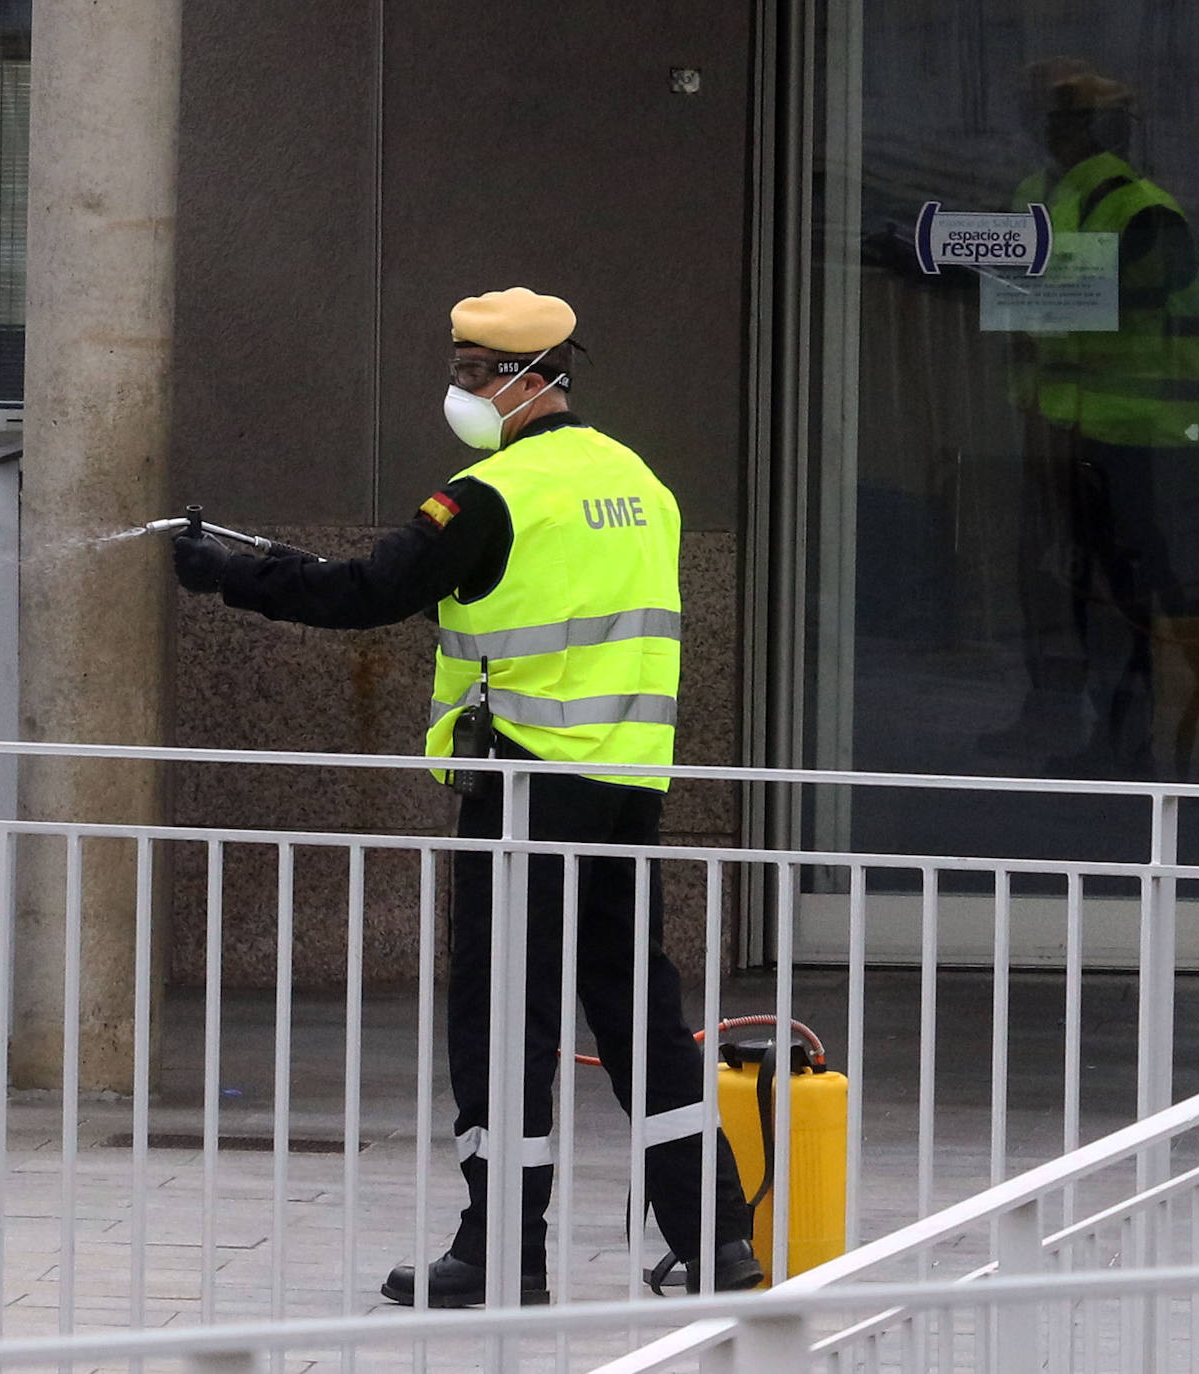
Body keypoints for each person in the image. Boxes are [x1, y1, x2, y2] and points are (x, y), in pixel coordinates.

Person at [172, 286, 760, 1306]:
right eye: (456, 371)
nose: (459, 392)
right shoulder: (638, 481)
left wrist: (233, 575)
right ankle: (716, 1240)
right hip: (625, 784)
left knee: (504, 1023)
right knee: (640, 1019)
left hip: (528, 782)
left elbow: (367, 591)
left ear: (539, 380)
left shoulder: (493, 494)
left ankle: (499, 1255)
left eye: (474, 375)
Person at [988, 72, 1199, 778]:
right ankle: (1112, 738)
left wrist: (982, 281)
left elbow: (1105, 296)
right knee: (1086, 586)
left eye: (1072, 122)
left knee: (1158, 591)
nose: (1062, 134)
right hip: (1072, 427)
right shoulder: (1040, 195)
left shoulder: (1143, 210)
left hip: (1149, 438)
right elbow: (1019, 284)